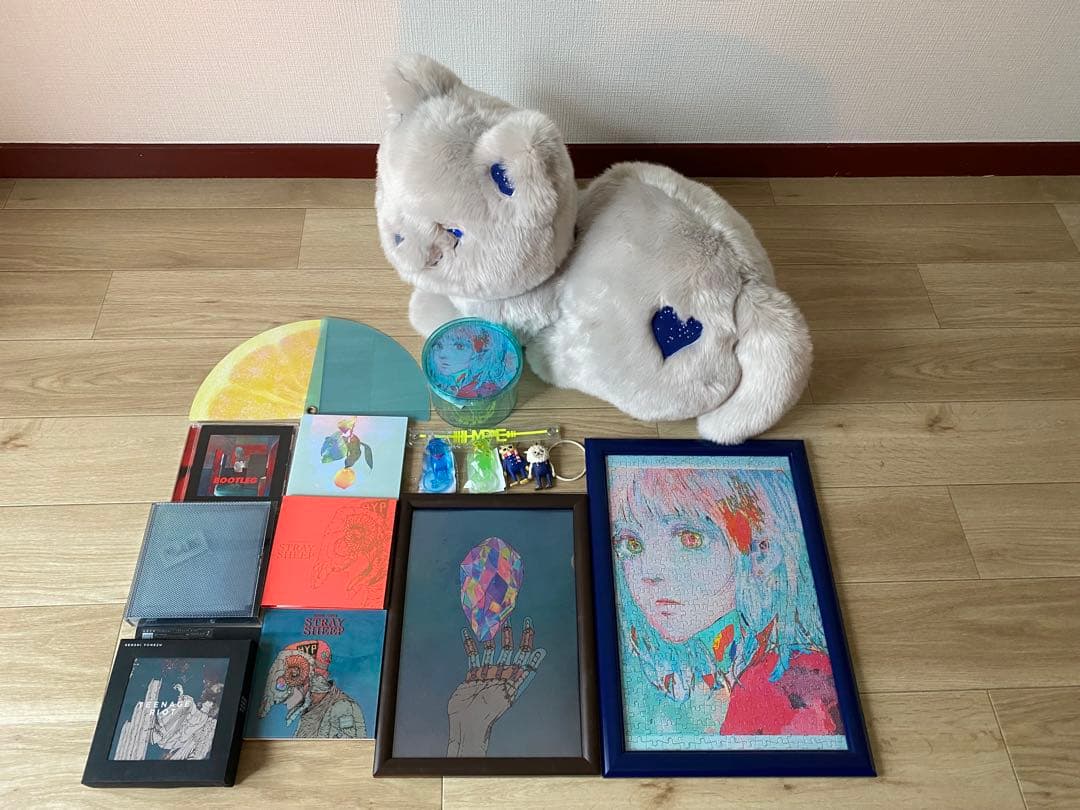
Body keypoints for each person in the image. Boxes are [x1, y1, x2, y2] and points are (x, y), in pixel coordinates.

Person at [607, 465, 844, 748]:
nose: (649, 573)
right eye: (631, 544)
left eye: (690, 539)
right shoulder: (692, 682)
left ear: (762, 553)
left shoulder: (796, 685)